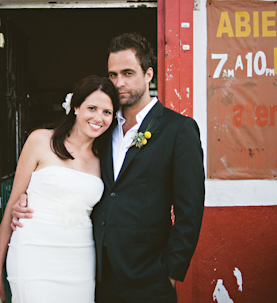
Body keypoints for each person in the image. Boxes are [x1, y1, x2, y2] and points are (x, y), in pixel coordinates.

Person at [12, 33, 205, 303]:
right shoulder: (102, 129)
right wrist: (31, 197)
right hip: (97, 273)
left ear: (149, 74)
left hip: (149, 276)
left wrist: (170, 273)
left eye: (127, 73)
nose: (119, 83)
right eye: (113, 75)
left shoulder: (178, 130)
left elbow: (190, 211)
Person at [0, 75, 120, 303]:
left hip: (80, 256)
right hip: (33, 251)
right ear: (75, 107)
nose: (98, 118)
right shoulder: (40, 141)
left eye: (106, 112)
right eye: (92, 108)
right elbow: (11, 207)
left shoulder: (105, 158)